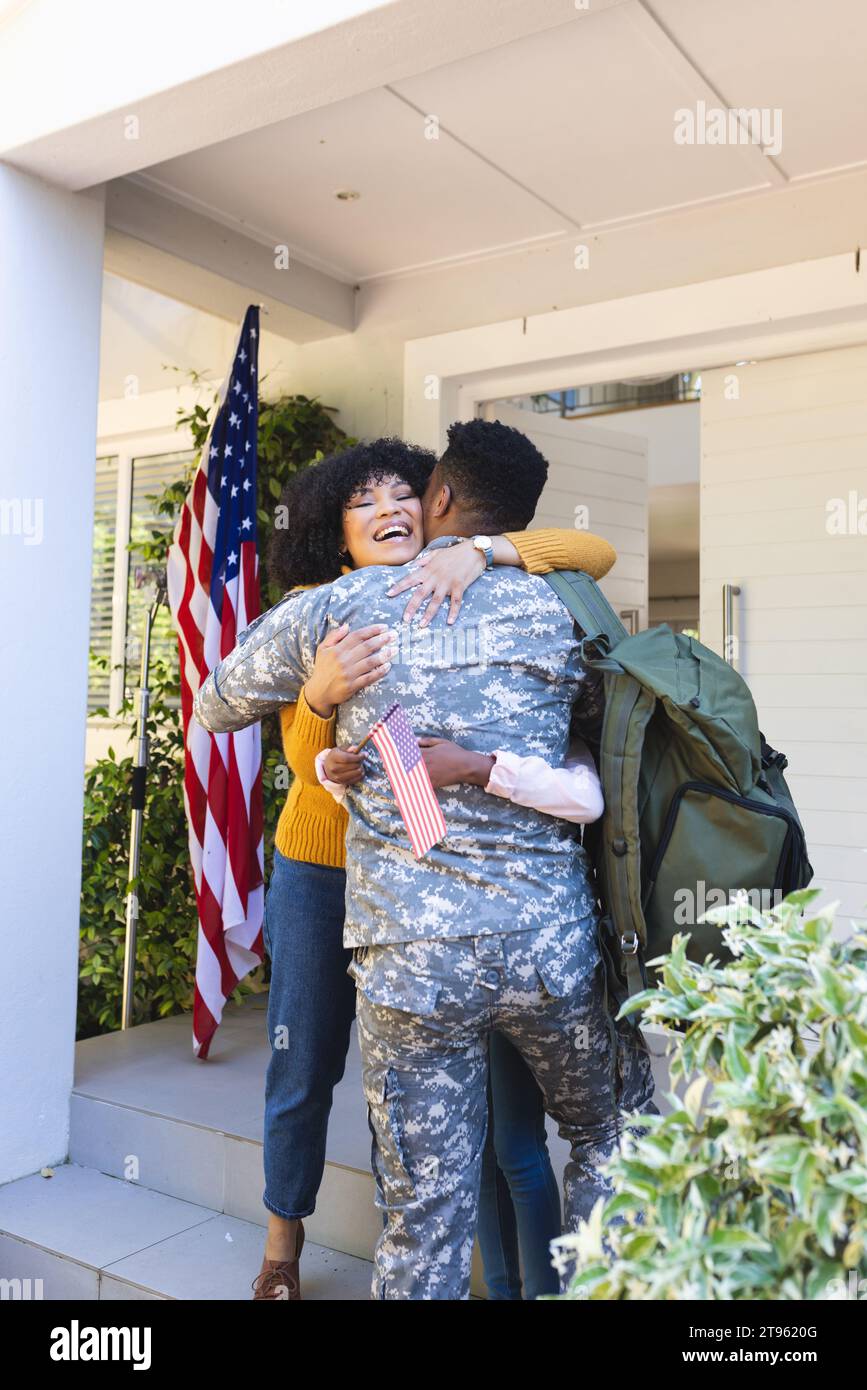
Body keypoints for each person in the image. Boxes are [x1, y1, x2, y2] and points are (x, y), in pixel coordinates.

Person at [195, 418, 656, 1300]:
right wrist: (324, 707)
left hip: (409, 959)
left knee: (421, 1208)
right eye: (365, 501)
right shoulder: (564, 602)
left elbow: (216, 708)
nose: (389, 508)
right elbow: (608, 750)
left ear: (436, 498)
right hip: (546, 943)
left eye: (403, 492)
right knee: (609, 1132)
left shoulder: (327, 613)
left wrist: (315, 678)